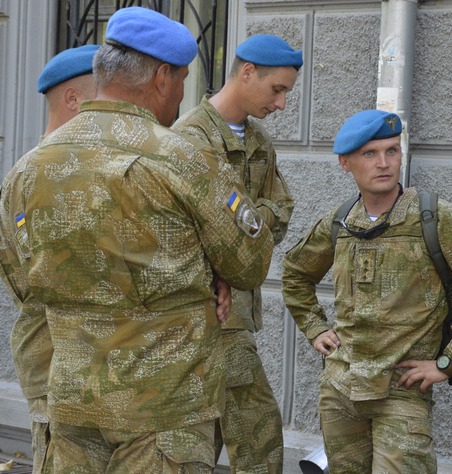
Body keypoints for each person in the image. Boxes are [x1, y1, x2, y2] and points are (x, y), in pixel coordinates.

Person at [0, 7, 274, 473]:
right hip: (165, 412)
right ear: (162, 78)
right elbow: (250, 261)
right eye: (184, 80)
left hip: (73, 406)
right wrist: (212, 272)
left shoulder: (27, 169)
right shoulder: (181, 157)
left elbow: (22, 281)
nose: (181, 96)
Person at [282, 110, 452, 473]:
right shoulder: (340, 222)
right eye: (370, 154)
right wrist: (313, 327)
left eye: (392, 151)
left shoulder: (436, 218)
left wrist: (448, 361)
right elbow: (295, 272)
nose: (384, 163)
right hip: (341, 391)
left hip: (401, 393)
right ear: (346, 162)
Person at [172, 33, 301, 473]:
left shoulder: (259, 141)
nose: (281, 103)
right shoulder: (190, 138)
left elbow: (280, 211)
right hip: (205, 311)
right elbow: (184, 229)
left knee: (215, 437)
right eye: (277, 89)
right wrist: (244, 230)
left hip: (238, 311)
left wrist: (243, 226)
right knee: (251, 433)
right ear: (247, 72)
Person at [0, 43, 98, 474]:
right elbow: (31, 283)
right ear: (73, 99)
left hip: (98, 373)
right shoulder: (35, 177)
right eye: (105, 97)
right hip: (59, 368)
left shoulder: (85, 170)